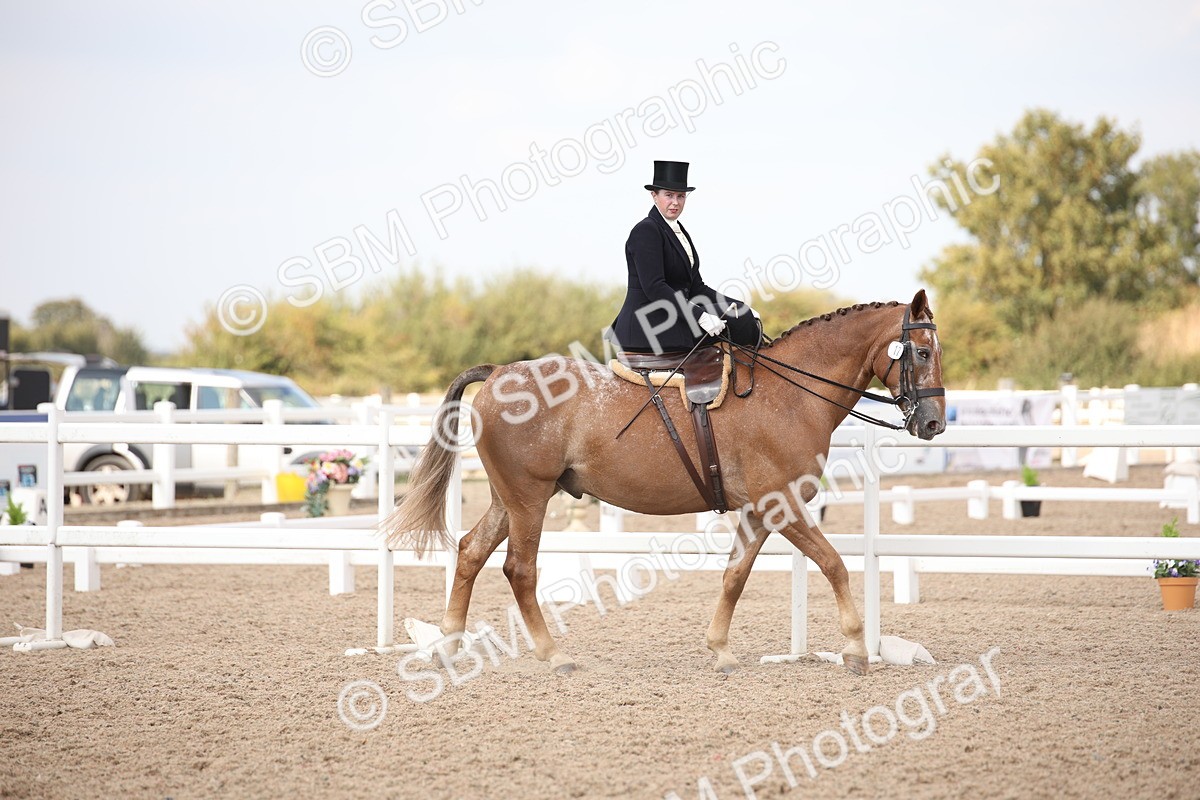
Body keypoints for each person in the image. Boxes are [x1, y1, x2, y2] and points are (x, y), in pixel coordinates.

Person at [610, 161, 760, 354]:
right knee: (739, 321)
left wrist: (740, 307)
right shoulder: (646, 230)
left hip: (672, 315)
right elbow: (655, 288)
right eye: (669, 195)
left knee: (742, 316)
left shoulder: (678, 231)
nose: (675, 202)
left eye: (681, 196)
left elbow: (698, 288)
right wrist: (699, 316)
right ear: (654, 195)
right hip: (649, 323)